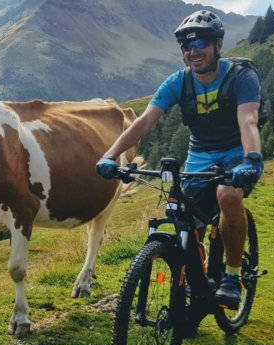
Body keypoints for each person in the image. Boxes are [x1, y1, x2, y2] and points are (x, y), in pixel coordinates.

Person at [95, 10, 264, 309]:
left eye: (200, 42)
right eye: (186, 45)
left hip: (237, 152)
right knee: (186, 222)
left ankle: (232, 275)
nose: (193, 50)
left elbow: (248, 120)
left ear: (218, 45)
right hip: (199, 155)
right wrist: (110, 155)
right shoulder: (178, 82)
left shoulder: (241, 77)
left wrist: (251, 159)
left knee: (227, 194)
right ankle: (195, 292)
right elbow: (144, 122)